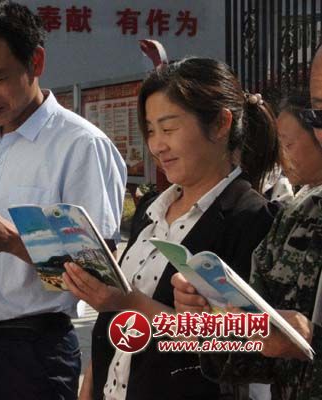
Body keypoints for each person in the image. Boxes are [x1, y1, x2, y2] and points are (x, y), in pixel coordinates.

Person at [0, 2, 126, 399]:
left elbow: (96, 276)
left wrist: (14, 242)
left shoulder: (80, 146)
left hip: (28, 355)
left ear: (36, 62)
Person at [63, 57, 279, 400]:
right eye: (150, 130)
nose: (156, 145)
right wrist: (90, 385)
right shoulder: (151, 209)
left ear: (220, 124)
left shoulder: (253, 219)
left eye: (168, 129)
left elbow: (247, 343)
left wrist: (129, 303)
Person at [172, 90, 322, 398]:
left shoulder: (255, 212)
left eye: (169, 128)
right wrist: (211, 318)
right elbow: (258, 355)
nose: (160, 145)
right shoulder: (295, 216)